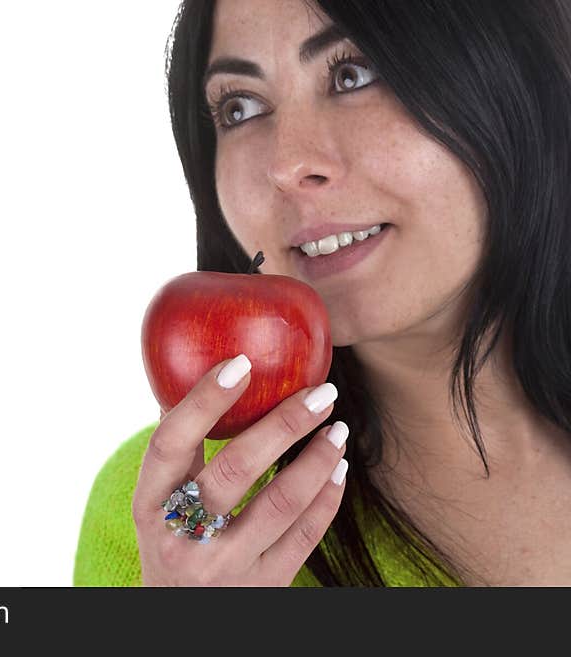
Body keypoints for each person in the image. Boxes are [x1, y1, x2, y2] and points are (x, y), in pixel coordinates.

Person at [74, 0, 571, 586]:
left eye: (352, 74)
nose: (287, 164)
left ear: (516, 82)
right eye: (241, 107)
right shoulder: (178, 523)